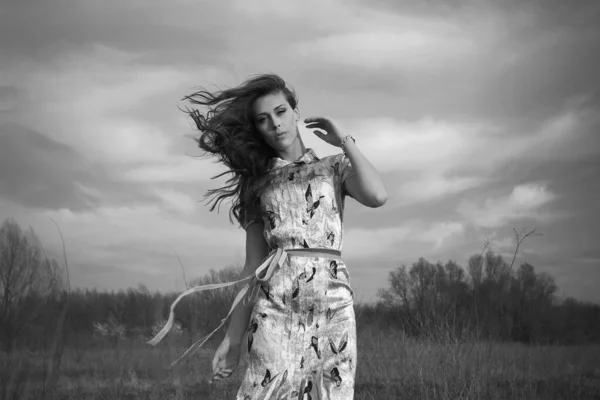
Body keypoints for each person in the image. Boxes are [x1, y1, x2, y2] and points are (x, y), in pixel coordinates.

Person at [148, 74, 387, 399]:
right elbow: (252, 266)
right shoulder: (257, 185)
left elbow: (377, 195)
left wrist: (344, 140)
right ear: (257, 128)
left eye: (280, 112)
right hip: (276, 307)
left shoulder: (333, 167)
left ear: (295, 112)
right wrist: (233, 340)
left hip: (332, 308)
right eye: (263, 119)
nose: (275, 124)